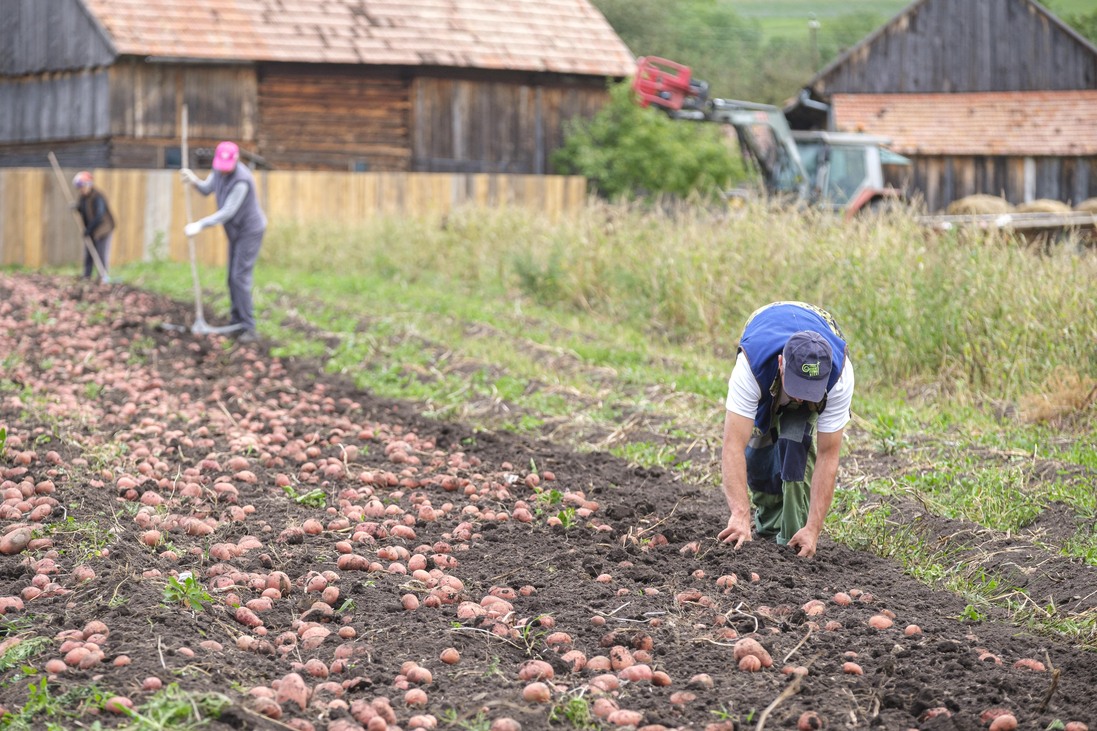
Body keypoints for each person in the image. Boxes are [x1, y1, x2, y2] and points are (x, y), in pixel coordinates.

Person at [717, 301, 855, 558]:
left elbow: (828, 455)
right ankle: (767, 526)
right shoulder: (751, 366)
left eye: (808, 391)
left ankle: (793, 538)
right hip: (765, 324)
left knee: (796, 442)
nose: (801, 399)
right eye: (797, 388)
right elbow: (732, 444)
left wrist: (813, 529)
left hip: (816, 331)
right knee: (758, 450)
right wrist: (739, 514)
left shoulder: (839, 377)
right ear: (781, 364)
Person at [180, 141, 267, 343]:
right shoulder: (218, 169)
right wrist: (193, 180)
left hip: (250, 231)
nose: (223, 171)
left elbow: (227, 212)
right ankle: (236, 321)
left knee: (239, 277)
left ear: (236, 161)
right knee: (231, 277)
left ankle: (248, 327)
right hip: (235, 231)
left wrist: (200, 225)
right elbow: (206, 189)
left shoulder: (242, 181)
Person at [72, 171, 114, 282]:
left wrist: (89, 229)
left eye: (82, 187)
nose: (81, 190)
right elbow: (83, 210)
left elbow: (99, 215)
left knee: (101, 253)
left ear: (88, 185)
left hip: (102, 230)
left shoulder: (98, 196)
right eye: (79, 188)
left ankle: (103, 276)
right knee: (89, 253)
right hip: (91, 229)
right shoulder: (83, 198)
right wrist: (77, 208)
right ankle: (87, 275)